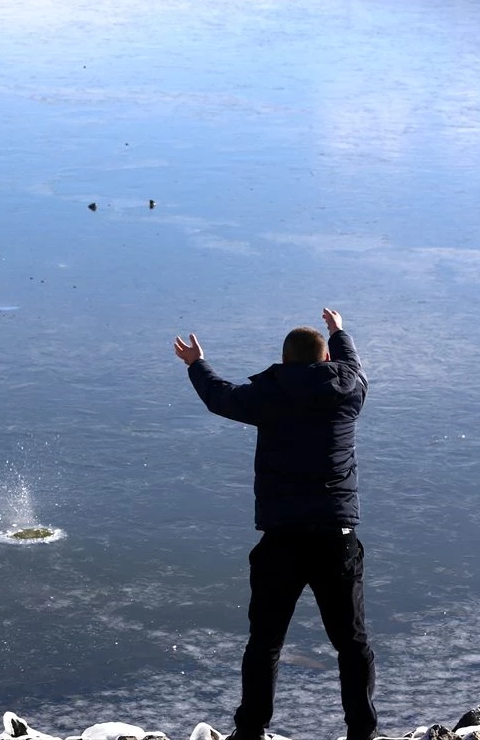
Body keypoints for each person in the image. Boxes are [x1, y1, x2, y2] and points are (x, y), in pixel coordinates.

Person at [173, 308, 377, 740]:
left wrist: (197, 363)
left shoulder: (267, 396)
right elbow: (354, 366)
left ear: (284, 362)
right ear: (326, 360)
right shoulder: (348, 393)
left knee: (264, 643)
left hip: (282, 537)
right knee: (351, 643)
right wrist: (339, 332)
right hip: (335, 534)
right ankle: (361, 733)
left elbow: (220, 396)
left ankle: (250, 731)